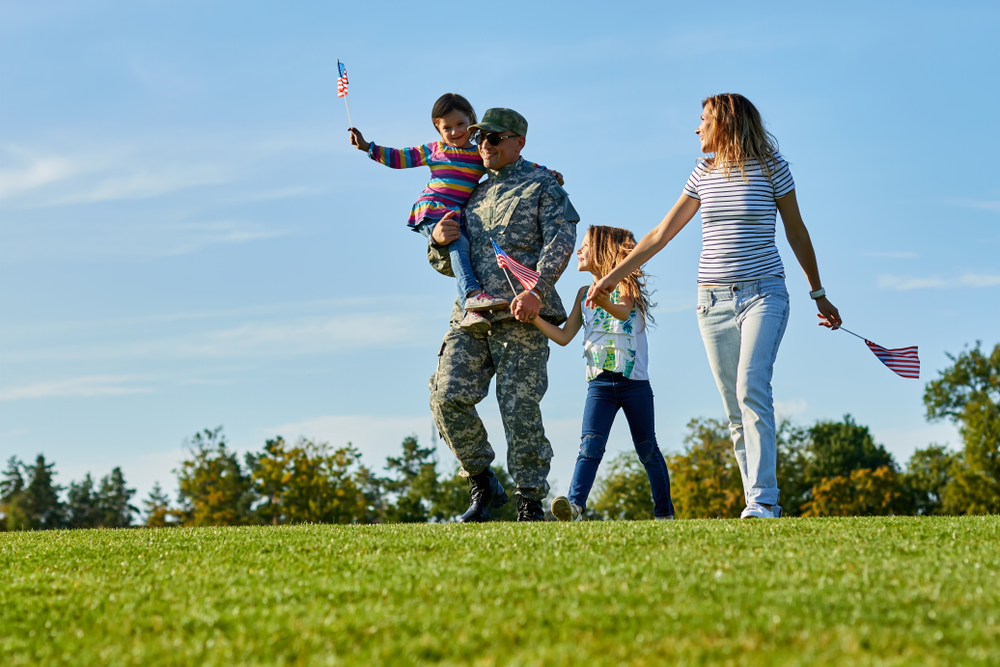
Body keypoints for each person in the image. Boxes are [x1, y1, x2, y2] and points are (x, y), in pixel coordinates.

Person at [589, 93, 843, 519]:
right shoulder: (702, 173)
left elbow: (797, 232)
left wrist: (819, 292)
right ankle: (755, 502)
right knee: (733, 406)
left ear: (724, 123)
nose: (696, 127)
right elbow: (660, 234)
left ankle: (764, 500)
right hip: (712, 301)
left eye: (703, 119)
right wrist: (611, 277)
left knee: (751, 388)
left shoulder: (772, 169)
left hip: (764, 293)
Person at [427, 107, 579, 522]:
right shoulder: (468, 192)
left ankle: (529, 501)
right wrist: (439, 241)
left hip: (522, 318)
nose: (484, 145)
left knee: (519, 409)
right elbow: (446, 260)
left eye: (494, 138)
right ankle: (482, 481)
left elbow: (562, 240)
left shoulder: (542, 184)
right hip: (472, 317)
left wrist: (537, 290)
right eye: (479, 139)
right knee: (445, 397)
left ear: (518, 142)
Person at [348, 93, 562, 333]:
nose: (454, 131)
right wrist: (368, 147)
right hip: (433, 210)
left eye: (460, 124)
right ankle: (472, 296)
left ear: (471, 121)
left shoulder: (479, 155)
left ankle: (472, 307)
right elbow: (400, 157)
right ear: (437, 129)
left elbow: (520, 164)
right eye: (446, 127)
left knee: (465, 247)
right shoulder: (434, 150)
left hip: (455, 215)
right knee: (459, 246)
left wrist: (547, 172)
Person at [530, 225, 675, 521]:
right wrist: (533, 319)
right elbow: (564, 336)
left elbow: (622, 312)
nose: (579, 251)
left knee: (647, 449)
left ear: (603, 249)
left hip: (634, 384)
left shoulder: (624, 286)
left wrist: (603, 298)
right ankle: (575, 507)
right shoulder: (583, 294)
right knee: (590, 446)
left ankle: (664, 513)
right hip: (599, 385)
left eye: (585, 245)